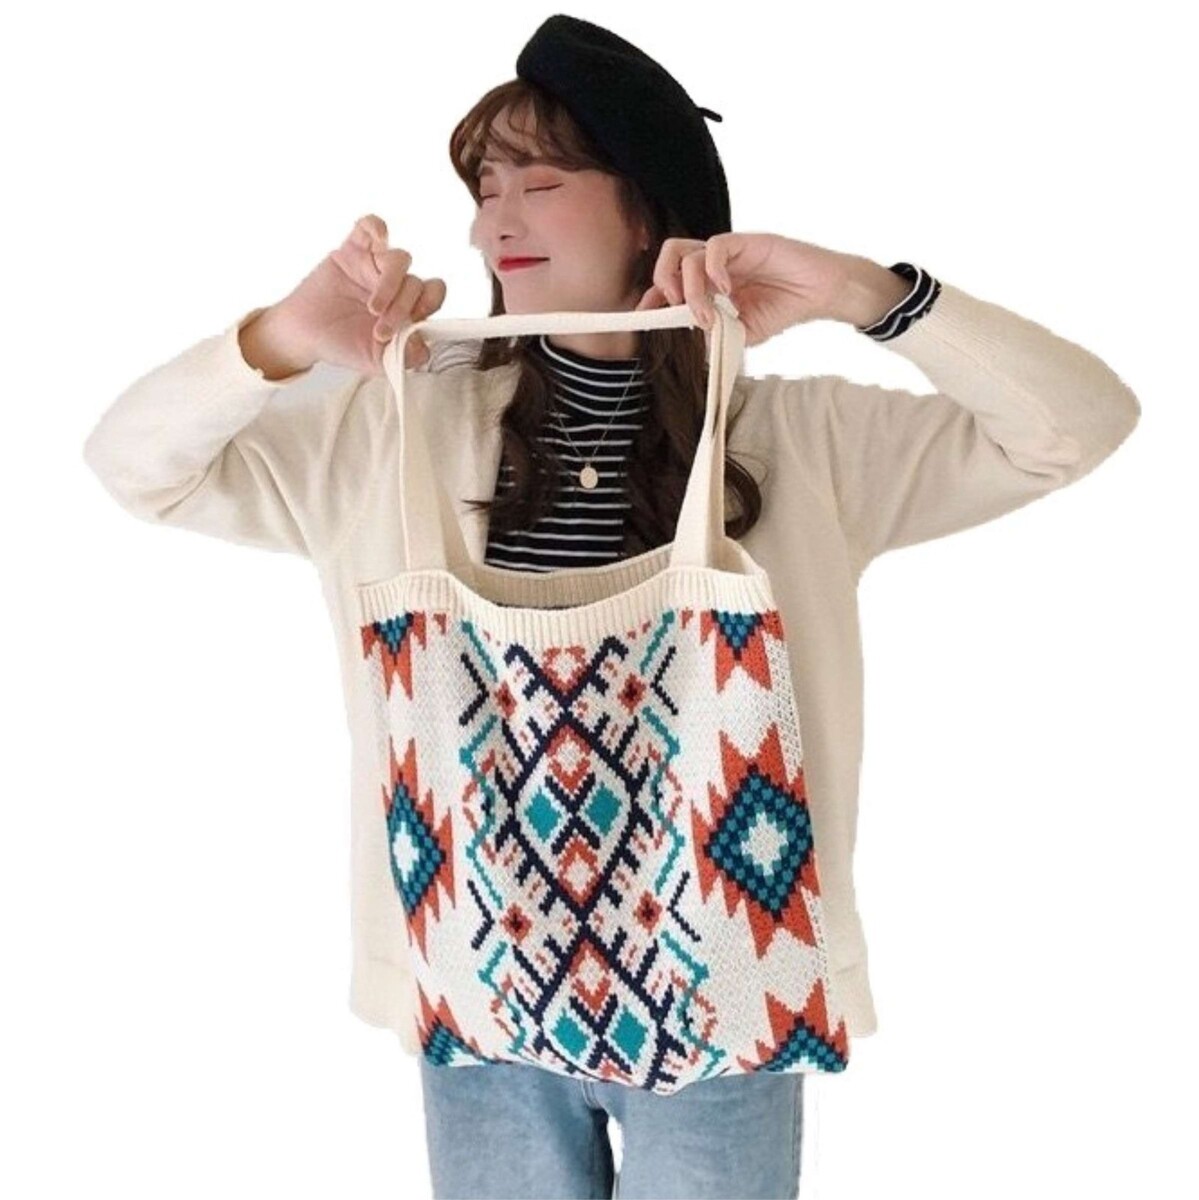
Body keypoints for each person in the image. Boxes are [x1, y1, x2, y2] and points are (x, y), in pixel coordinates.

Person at [81, 14, 1140, 1200]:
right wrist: (278, 341)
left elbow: (1074, 428)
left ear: (647, 212)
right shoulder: (388, 428)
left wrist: (862, 291)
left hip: (726, 1010)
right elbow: (136, 467)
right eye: (484, 189)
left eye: (539, 182)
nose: (493, 222)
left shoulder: (801, 441)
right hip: (476, 1008)